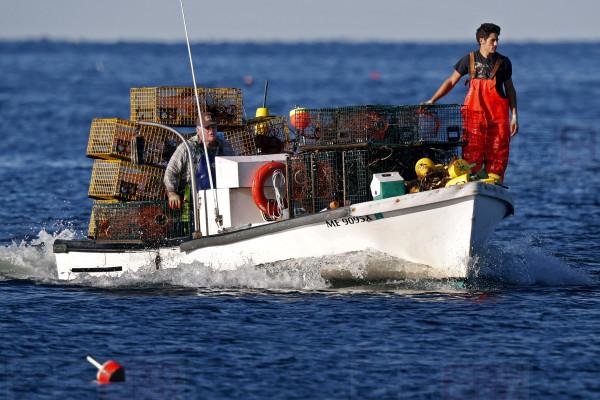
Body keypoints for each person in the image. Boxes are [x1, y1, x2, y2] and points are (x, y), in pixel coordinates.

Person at [424, 23, 518, 182]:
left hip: (498, 122)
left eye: (497, 40)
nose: (496, 44)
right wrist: (433, 100)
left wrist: (514, 116)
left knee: (497, 158)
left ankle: (494, 186)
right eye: (492, 41)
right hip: (474, 120)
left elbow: (510, 90)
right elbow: (451, 81)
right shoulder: (469, 60)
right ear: (482, 40)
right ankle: (471, 189)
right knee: (471, 157)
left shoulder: (504, 62)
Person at [164, 112, 234, 209]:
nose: (211, 131)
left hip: (220, 199)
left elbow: (235, 170)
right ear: (198, 130)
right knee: (188, 221)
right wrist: (171, 193)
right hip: (191, 201)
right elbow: (171, 171)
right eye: (207, 128)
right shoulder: (186, 148)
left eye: (213, 127)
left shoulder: (225, 147)